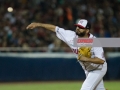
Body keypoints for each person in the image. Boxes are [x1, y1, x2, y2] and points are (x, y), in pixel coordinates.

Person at [26, 19, 107, 90]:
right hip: (88, 70)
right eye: (77, 26)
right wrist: (38, 24)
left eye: (81, 28)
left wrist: (86, 59)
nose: (78, 28)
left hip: (98, 69)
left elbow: (101, 61)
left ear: (87, 30)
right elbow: (55, 28)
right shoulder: (71, 36)